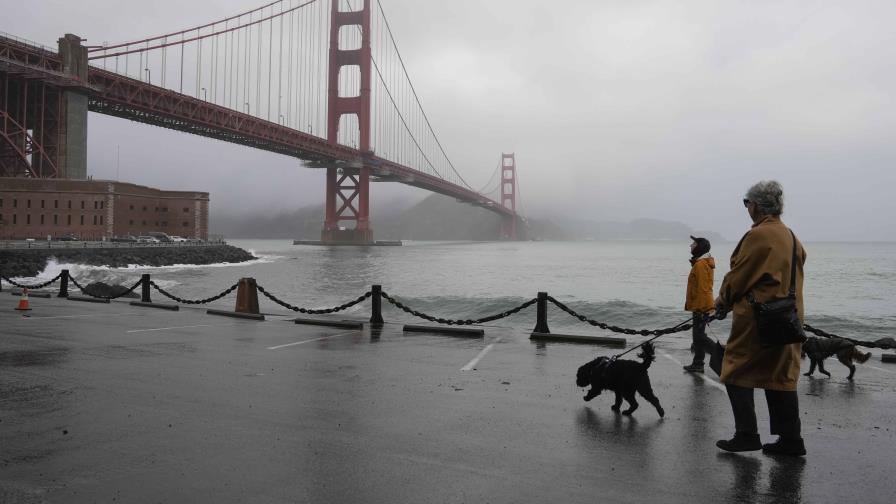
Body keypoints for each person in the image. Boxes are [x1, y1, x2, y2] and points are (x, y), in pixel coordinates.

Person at [714, 180, 807, 457]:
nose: (746, 209)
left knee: (734, 370)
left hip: (758, 317)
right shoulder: (790, 236)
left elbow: (738, 277)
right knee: (781, 376)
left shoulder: (758, 235)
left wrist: (721, 302)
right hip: (789, 316)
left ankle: (746, 435)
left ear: (755, 205)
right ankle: (791, 440)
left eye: (746, 203)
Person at [683, 236, 715, 373]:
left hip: (701, 306)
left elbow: (703, 288)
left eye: (693, 244)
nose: (691, 245)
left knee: (699, 336)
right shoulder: (700, 263)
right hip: (701, 305)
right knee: (697, 336)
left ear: (699, 247)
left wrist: (702, 309)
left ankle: (724, 357)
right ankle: (698, 363)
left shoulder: (701, 265)